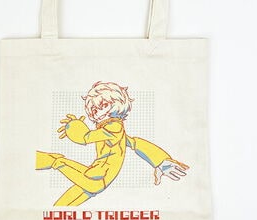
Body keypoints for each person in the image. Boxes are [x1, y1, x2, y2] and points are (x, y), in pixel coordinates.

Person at [36, 81, 189, 206]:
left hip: (95, 179)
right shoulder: (115, 129)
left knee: (57, 161)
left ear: (118, 105)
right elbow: (135, 143)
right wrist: (161, 161)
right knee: (62, 207)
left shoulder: (113, 127)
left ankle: (28, 161)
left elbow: (85, 137)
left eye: (102, 105)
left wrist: (73, 126)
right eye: (92, 108)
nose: (95, 111)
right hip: (94, 178)